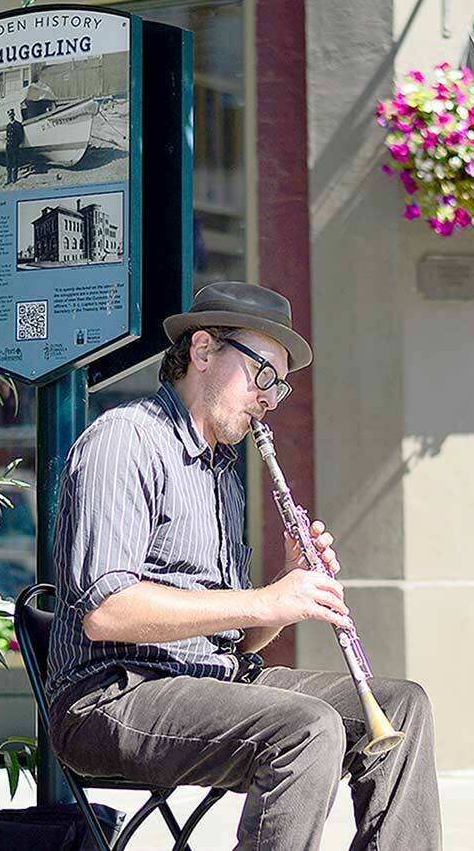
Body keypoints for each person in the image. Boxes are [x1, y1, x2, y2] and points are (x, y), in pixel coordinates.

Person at [47, 282, 441, 850]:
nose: (271, 398)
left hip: (206, 680)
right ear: (203, 351)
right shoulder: (125, 441)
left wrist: (284, 586)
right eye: (263, 375)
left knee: (404, 707)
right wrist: (264, 600)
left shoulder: (221, 472)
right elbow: (107, 612)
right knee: (306, 730)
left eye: (279, 385)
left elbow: (239, 641)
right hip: (112, 694)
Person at [4, 108, 24, 184]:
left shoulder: (18, 125)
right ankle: (8, 179)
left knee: (15, 163)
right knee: (9, 164)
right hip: (8, 147)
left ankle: (14, 178)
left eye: (12, 115)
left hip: (15, 147)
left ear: (14, 115)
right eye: (9, 115)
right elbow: (7, 136)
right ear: (8, 116)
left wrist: (17, 144)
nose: (10, 116)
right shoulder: (8, 126)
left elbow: (21, 136)